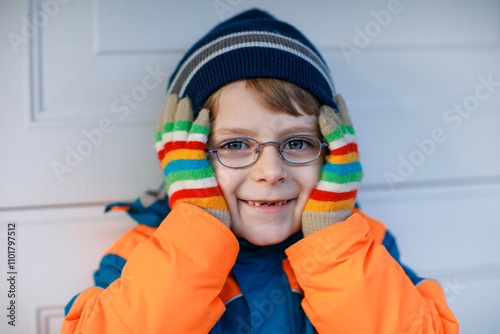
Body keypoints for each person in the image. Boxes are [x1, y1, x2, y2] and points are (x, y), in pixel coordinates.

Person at [61, 8, 459, 333]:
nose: (271, 171)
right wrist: (195, 232)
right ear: (188, 157)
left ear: (334, 153)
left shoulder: (363, 247)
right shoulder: (139, 256)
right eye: (235, 144)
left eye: (298, 142)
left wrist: (333, 244)